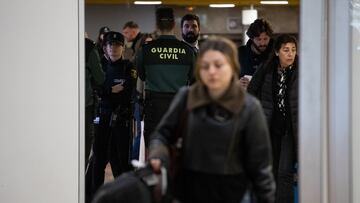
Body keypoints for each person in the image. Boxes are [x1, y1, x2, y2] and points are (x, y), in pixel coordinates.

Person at [148, 36, 275, 203]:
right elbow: (161, 135)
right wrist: (158, 155)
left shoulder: (249, 107)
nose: (212, 71)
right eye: (205, 66)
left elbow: (261, 166)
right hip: (188, 190)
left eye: (218, 65)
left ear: (232, 67)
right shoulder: (187, 97)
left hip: (233, 193)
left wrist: (265, 198)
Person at [85, 31, 136, 203]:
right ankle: (94, 197)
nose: (113, 48)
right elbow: (96, 88)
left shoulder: (129, 67)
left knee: (120, 161)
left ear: (122, 47)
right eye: (110, 45)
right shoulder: (99, 67)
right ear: (105, 48)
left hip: (122, 119)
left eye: (117, 45)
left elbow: (128, 89)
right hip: (102, 118)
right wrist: (109, 90)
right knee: (98, 161)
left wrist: (107, 90)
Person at [247, 34, 298, 203]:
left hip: (290, 130)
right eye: (286, 50)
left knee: (284, 172)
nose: (290, 54)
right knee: (269, 170)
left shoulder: (302, 71)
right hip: (268, 128)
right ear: (277, 52)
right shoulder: (266, 68)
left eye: (293, 50)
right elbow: (251, 91)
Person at [136, 7, 196, 149]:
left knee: (153, 152)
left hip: (153, 107)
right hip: (178, 108)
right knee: (176, 153)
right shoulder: (188, 51)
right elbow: (192, 79)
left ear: (157, 25)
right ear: (174, 25)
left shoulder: (145, 50)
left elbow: (142, 76)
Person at [85, 36, 105, 166]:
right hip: (85, 105)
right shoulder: (89, 47)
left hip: (59, 104)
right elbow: (100, 78)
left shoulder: (55, 42)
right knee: (85, 141)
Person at [238, 18, 273, 89]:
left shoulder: (276, 52)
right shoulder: (239, 53)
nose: (262, 43)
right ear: (252, 39)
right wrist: (237, 83)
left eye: (265, 39)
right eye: (258, 39)